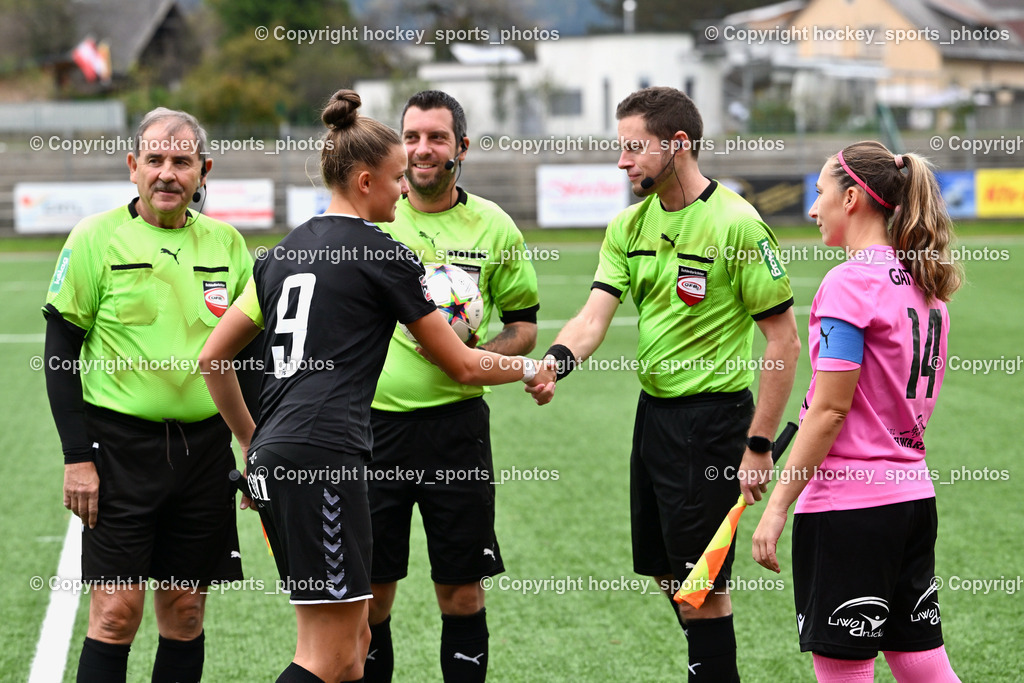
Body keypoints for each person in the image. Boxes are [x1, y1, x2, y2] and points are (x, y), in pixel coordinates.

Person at [198, 89, 553, 683]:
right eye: (394, 178)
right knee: (331, 657)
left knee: (353, 639)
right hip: (327, 458)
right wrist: (528, 368)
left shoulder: (281, 254)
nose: (402, 188)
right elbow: (463, 365)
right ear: (364, 181)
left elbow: (213, 358)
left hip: (279, 456)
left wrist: (251, 439)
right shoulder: (382, 254)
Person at [527, 86, 800, 682]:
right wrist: (556, 361)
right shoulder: (628, 226)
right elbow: (594, 316)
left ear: (678, 145)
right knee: (669, 576)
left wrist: (758, 444)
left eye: (634, 149)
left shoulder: (737, 224)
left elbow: (784, 343)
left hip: (715, 421)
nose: (622, 162)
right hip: (653, 419)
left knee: (699, 588)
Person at [43, 107, 252, 682]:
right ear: (132, 166)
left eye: (181, 162)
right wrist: (76, 457)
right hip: (118, 451)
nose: (167, 173)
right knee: (115, 614)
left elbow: (251, 361)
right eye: (154, 160)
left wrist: (257, 449)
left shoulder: (228, 245)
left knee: (184, 612)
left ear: (203, 170)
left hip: (205, 452)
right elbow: (60, 356)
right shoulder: (94, 237)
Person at [751, 141, 963, 682]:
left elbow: (830, 410)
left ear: (852, 198)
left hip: (850, 510)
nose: (812, 208)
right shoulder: (925, 282)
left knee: (847, 672)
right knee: (921, 664)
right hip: (912, 500)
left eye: (819, 193)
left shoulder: (849, 283)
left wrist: (777, 508)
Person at [362, 90, 540, 683]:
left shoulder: (494, 226)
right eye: (411, 137)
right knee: (371, 598)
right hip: (373, 431)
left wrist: (471, 356)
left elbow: (524, 328)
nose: (422, 149)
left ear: (461, 147)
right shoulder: (373, 220)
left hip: (456, 433)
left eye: (437, 137)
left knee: (461, 595)